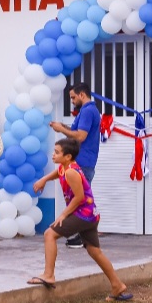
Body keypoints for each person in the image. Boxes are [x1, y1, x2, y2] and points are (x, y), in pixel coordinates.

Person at [27, 138, 131, 302]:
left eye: (57, 152)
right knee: (94, 251)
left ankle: (48, 275)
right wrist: (44, 180)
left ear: (67, 156)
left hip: (84, 214)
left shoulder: (71, 172)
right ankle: (117, 285)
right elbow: (58, 172)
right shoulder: (65, 167)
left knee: (49, 234)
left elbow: (79, 198)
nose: (53, 155)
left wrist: (63, 215)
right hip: (91, 215)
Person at [49, 82, 102, 249]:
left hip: (83, 162)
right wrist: (62, 127)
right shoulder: (87, 111)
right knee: (77, 198)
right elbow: (75, 132)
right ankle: (81, 236)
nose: (71, 101)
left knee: (78, 199)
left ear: (82, 95)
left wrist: (62, 130)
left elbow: (80, 136)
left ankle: (77, 235)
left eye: (73, 97)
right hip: (85, 162)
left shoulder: (87, 111)